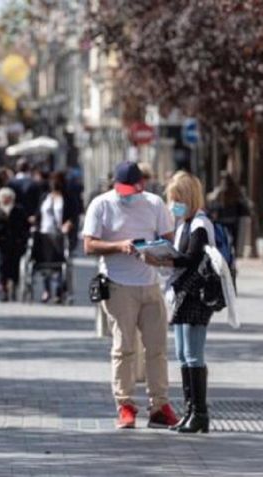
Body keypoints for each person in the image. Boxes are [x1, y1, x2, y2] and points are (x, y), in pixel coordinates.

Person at [82, 160, 178, 430]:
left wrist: (155, 250)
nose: (124, 195)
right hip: (117, 284)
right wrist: (118, 246)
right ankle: (124, 405)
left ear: (141, 185)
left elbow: (168, 239)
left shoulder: (154, 204)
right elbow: (89, 245)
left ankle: (160, 405)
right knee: (124, 348)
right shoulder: (101, 204)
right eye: (120, 189)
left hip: (149, 283)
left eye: (129, 190)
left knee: (157, 348)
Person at [145, 171, 215, 434]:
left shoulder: (199, 224)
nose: (173, 205)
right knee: (183, 355)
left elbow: (192, 258)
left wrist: (162, 260)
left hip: (196, 295)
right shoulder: (185, 224)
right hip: (183, 293)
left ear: (189, 197)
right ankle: (190, 410)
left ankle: (200, 413)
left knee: (194, 355)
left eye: (177, 199)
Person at [36, 171, 80, 303]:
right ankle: (46, 290)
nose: (53, 184)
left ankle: (59, 291)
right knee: (45, 262)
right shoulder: (45, 196)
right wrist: (33, 219)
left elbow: (74, 215)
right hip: (44, 234)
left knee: (61, 262)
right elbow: (38, 213)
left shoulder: (68, 197)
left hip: (60, 235)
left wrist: (69, 224)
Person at [0, 187, 29, 301]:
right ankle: (3, 289)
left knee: (15, 266)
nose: (6, 200)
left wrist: (23, 239)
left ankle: (14, 287)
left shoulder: (19, 211)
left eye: (8, 198)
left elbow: (25, 227)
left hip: (16, 244)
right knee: (2, 267)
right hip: (2, 244)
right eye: (3, 198)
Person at [206, 171, 250, 248]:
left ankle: (229, 251)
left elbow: (210, 199)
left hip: (228, 218)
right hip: (228, 218)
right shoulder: (228, 190)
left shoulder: (229, 190)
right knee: (229, 239)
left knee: (227, 238)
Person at [8, 158, 42, 225]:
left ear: (17, 168)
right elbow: (39, 201)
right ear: (28, 168)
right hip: (30, 218)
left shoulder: (11, 183)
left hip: (14, 217)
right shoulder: (34, 183)